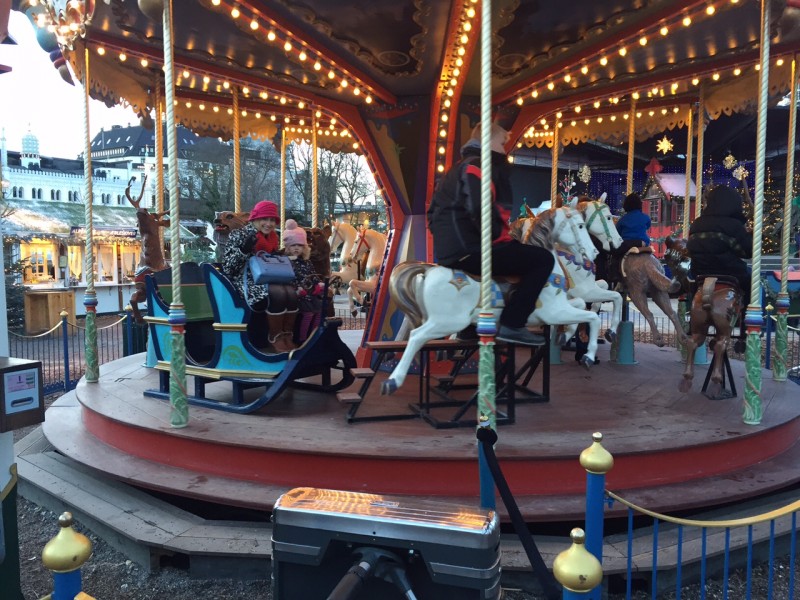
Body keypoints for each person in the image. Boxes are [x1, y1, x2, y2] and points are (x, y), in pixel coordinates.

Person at [427, 122, 555, 346]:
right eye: (502, 143)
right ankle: (513, 322)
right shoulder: (477, 167)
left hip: (452, 249)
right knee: (543, 259)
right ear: (488, 141)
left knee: (518, 254)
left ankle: (471, 325)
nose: (505, 149)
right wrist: (498, 236)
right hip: (472, 248)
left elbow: (432, 212)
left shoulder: (458, 168)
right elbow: (480, 208)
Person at [222, 200, 299, 353]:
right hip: (246, 281)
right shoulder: (240, 234)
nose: (269, 224)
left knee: (291, 293)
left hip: (269, 279)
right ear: (256, 219)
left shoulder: (272, 238)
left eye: (272, 220)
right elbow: (228, 268)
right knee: (277, 293)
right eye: (265, 219)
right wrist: (244, 250)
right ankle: (274, 337)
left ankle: (287, 336)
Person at [687, 185, 752, 303]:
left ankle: (692, 306)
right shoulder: (733, 225)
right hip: (729, 272)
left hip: (700, 272)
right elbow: (747, 252)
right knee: (753, 280)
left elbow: (690, 248)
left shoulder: (697, 223)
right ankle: (747, 313)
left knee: (695, 285)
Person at [282, 219, 325, 344]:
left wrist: (318, 284)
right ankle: (302, 338)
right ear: (288, 247)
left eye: (299, 246)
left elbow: (313, 275)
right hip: (299, 293)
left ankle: (313, 336)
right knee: (308, 314)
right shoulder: (287, 261)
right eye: (293, 245)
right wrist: (297, 288)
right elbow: (288, 277)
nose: (296, 248)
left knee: (319, 311)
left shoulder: (307, 262)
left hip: (310, 291)